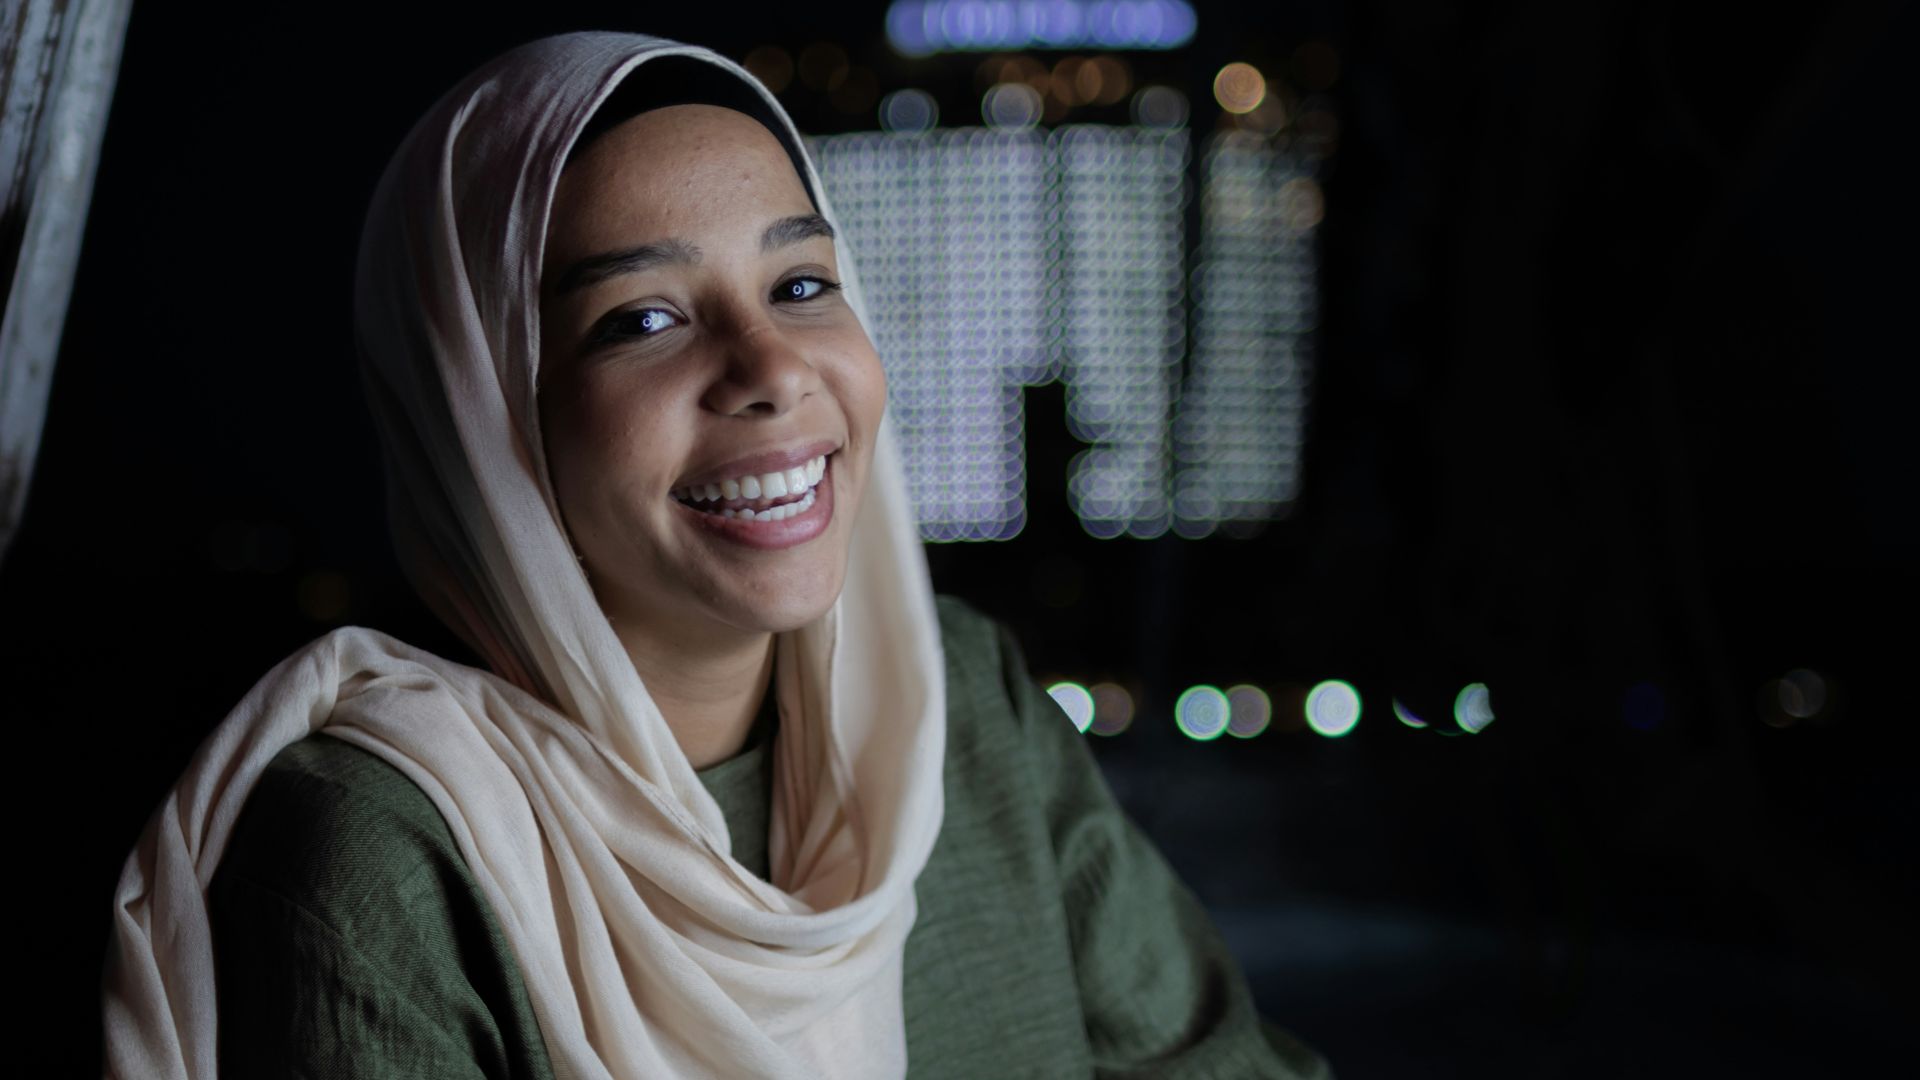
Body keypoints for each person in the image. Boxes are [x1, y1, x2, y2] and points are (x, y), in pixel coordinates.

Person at [101, 30, 1331, 1079]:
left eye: (800, 284)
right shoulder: (385, 851)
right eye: (642, 319)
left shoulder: (954, 704)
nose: (773, 369)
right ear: (479, 415)